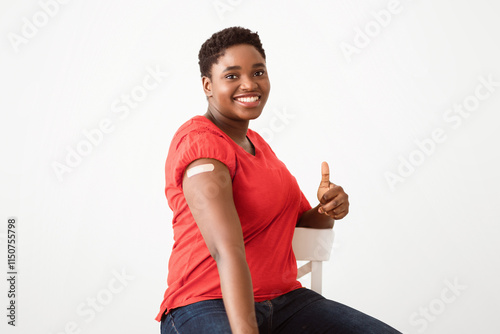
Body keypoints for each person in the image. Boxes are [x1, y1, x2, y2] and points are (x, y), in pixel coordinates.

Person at [156, 26, 401, 334]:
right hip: (204, 302)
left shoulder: (260, 148)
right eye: (232, 75)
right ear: (207, 85)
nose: (249, 84)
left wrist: (326, 209)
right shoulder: (200, 145)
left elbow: (298, 229)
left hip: (285, 301)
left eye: (258, 72)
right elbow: (226, 250)